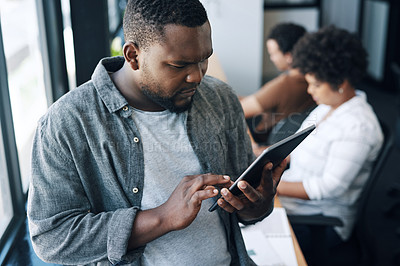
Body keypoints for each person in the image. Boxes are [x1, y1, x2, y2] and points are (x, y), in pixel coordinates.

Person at [27, 0, 287, 265]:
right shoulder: (67, 123)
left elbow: (241, 211)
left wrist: (258, 205)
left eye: (204, 59)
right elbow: (51, 238)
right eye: (179, 65)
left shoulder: (220, 99)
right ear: (133, 56)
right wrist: (162, 217)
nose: (197, 76)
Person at [276, 26, 384, 264]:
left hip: (321, 222)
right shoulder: (327, 106)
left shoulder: (358, 127)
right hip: (293, 203)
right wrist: (264, 158)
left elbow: (326, 188)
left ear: (340, 82)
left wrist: (273, 185)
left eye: (315, 84)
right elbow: (298, 147)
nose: (309, 90)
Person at [240, 23, 316, 149]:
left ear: (288, 56)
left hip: (262, 135)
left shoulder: (283, 85)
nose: (272, 58)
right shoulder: (313, 78)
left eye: (273, 53)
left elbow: (237, 111)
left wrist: (253, 147)